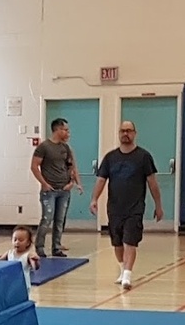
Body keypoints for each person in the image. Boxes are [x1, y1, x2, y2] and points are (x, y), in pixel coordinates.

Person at [90, 121, 164, 290]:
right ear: (119, 133)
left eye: (129, 131)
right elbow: (101, 180)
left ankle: (128, 276)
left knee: (130, 240)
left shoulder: (144, 157)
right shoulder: (110, 158)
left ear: (134, 133)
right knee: (117, 242)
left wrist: (158, 205)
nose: (125, 134)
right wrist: (94, 199)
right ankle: (123, 268)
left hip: (135, 207)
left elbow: (152, 183)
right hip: (115, 207)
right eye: (122, 131)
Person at [32, 118, 82, 258]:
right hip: (49, 191)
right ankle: (40, 247)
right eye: (65, 130)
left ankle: (56, 247)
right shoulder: (44, 147)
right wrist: (44, 183)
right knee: (47, 219)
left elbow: (71, 167)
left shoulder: (66, 148)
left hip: (64, 190)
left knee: (60, 220)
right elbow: (34, 166)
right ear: (58, 130)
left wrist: (74, 182)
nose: (68, 133)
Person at [0, 225, 41, 292]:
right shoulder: (9, 253)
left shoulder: (28, 255)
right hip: (10, 285)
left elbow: (35, 267)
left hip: (23, 286)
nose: (17, 242)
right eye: (15, 240)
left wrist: (35, 261)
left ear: (28, 243)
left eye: (21, 240)